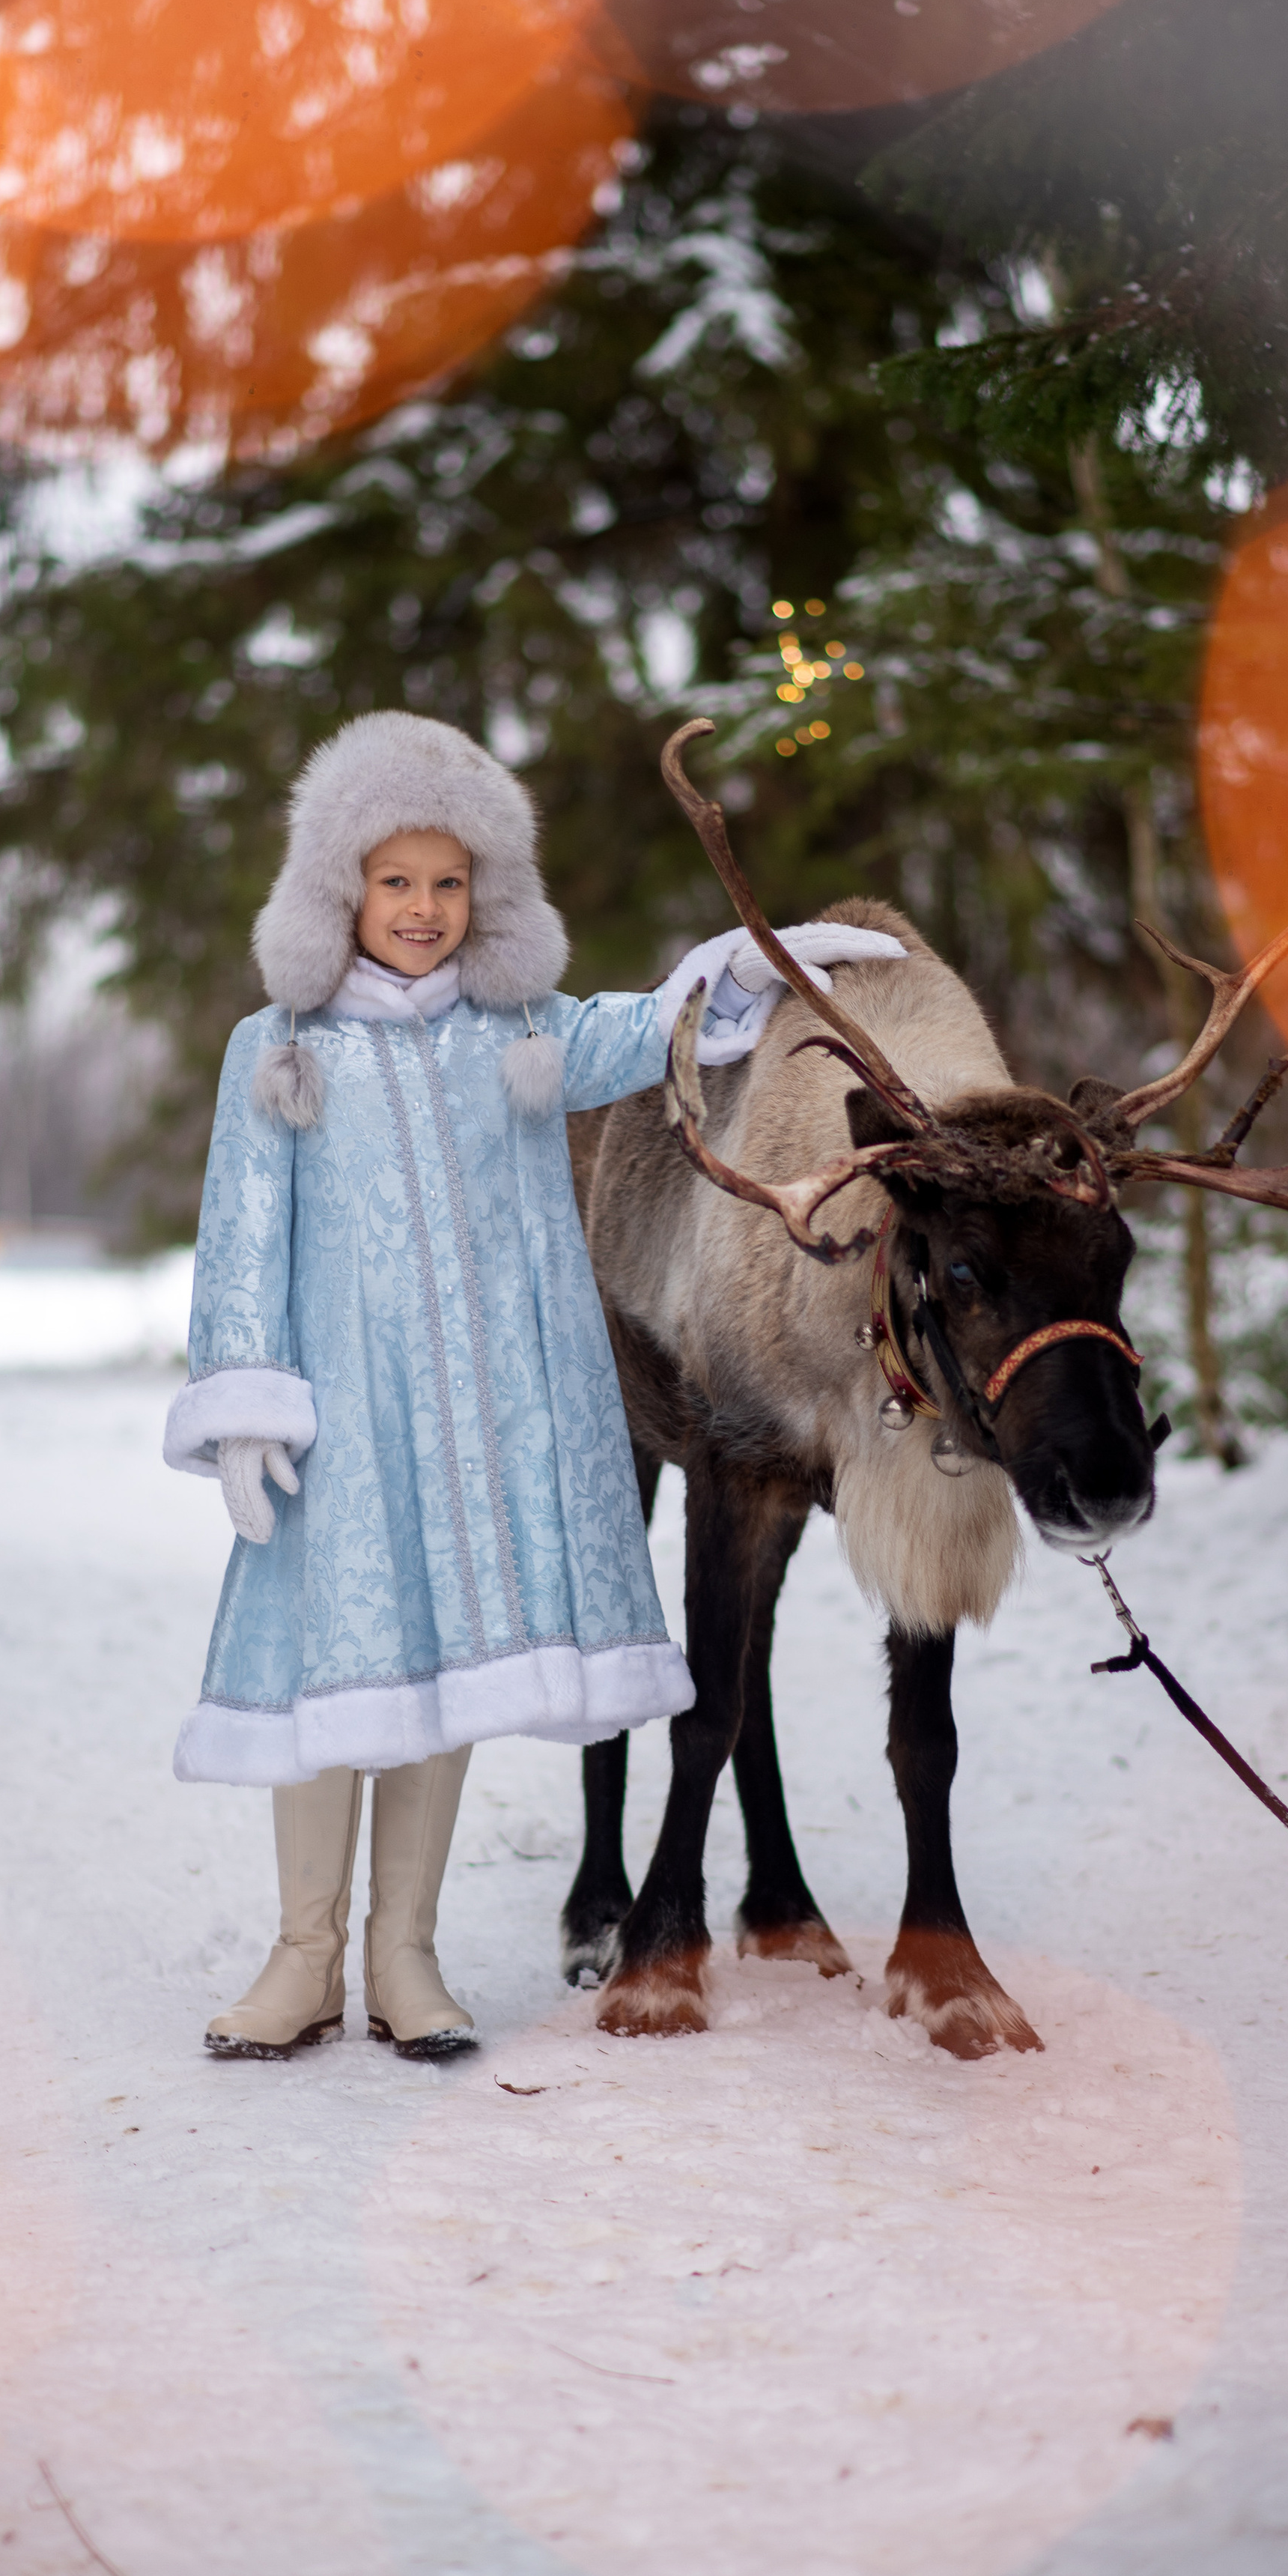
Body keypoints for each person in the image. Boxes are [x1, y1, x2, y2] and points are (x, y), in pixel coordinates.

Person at [165, 711, 902, 2060]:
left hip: (461, 1433)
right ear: (343, 887)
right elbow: (238, 1229)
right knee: (335, 1677)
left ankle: (405, 1956)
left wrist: (734, 973)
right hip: (335, 1430)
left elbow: (648, 1036)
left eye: (451, 884)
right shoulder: (280, 1048)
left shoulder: (518, 1035)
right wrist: (242, 1399)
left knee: (436, 1678)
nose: (425, 911)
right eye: (398, 882)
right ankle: (302, 1952)